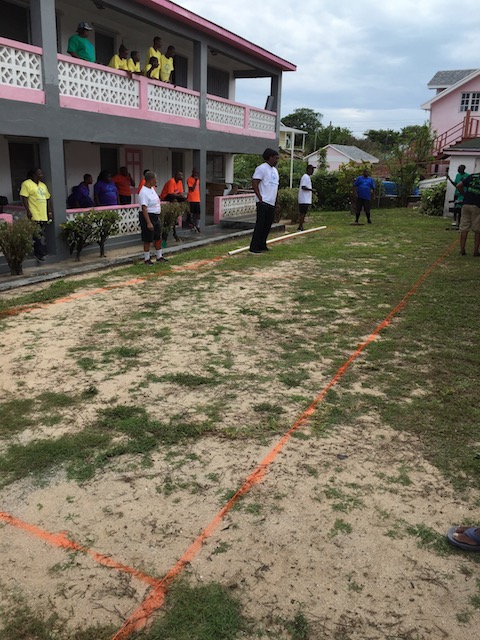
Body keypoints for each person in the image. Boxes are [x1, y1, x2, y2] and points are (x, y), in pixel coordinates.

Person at [249, 148, 280, 254]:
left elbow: (276, 187)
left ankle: (262, 245)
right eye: (275, 158)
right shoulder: (261, 168)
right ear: (269, 157)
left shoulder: (275, 171)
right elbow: (255, 182)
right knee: (260, 225)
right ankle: (254, 247)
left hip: (271, 202)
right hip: (263, 202)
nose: (277, 160)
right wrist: (260, 197)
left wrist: (276, 202)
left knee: (267, 225)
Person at [19, 168, 53, 262]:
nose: (42, 175)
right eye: (39, 174)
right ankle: (39, 253)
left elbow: (47, 199)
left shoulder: (43, 185)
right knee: (36, 233)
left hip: (42, 213)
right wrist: (28, 211)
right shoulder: (26, 184)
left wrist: (49, 211)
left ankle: (39, 251)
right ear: (34, 175)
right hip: (34, 212)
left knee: (40, 233)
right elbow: (24, 197)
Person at [138, 170, 168, 265]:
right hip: (148, 216)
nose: (156, 181)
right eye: (155, 179)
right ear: (150, 180)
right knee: (148, 238)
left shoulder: (152, 189)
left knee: (157, 237)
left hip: (155, 216)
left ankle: (159, 256)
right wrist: (148, 222)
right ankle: (147, 259)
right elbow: (144, 208)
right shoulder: (143, 192)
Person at [456, 171, 480, 256]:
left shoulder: (472, 176)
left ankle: (462, 249)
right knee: (477, 230)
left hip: (466, 204)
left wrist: (464, 194)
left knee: (464, 228)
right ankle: (476, 251)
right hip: (477, 206)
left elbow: (459, 185)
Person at [448, 164, 469, 229]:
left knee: (460, 209)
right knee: (455, 208)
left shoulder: (467, 176)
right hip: (456, 194)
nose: (458, 169)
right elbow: (456, 184)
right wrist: (449, 179)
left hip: (463, 194)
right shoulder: (457, 175)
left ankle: (460, 222)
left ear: (463, 169)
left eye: (459, 168)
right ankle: (455, 221)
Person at [297, 164, 315, 231]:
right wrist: (311, 190)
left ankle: (300, 226)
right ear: (308, 170)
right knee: (302, 213)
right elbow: (303, 187)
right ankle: (300, 226)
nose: (312, 171)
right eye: (312, 170)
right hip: (303, 199)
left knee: (303, 213)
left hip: (306, 199)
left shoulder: (307, 177)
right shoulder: (305, 177)